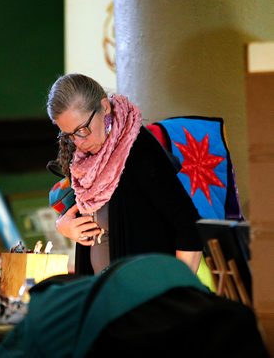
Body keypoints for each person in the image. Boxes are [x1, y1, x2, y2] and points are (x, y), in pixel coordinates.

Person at [47, 73, 203, 275]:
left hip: (142, 296)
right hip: (102, 293)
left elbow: (189, 228)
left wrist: (175, 292)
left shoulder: (139, 152)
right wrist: (64, 225)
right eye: (68, 135)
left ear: (104, 107)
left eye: (82, 129)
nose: (78, 142)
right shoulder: (85, 158)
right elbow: (91, 208)